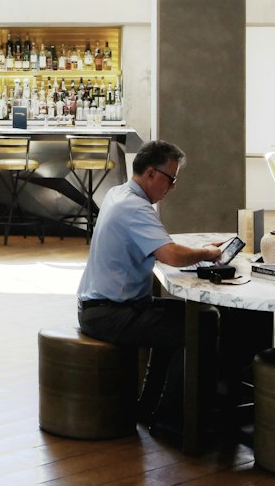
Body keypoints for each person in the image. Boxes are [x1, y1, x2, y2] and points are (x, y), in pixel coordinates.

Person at [77, 138, 224, 437]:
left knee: (192, 318)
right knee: (199, 327)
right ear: (152, 174)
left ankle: (150, 407)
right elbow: (169, 255)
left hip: (102, 306)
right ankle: (171, 421)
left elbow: (161, 248)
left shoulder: (119, 194)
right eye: (171, 179)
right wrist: (208, 253)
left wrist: (190, 251)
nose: (172, 188)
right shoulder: (135, 207)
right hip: (109, 313)